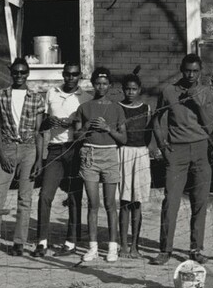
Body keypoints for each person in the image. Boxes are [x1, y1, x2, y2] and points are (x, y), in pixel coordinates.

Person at [151, 54, 213, 265]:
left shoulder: (206, 92)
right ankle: (165, 250)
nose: (190, 75)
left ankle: (196, 249)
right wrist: (162, 144)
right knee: (171, 201)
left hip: (200, 149)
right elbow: (157, 119)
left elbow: (210, 126)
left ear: (201, 71)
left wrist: (197, 103)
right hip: (176, 151)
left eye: (195, 71)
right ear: (181, 69)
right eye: (187, 70)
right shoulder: (169, 91)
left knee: (200, 201)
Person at [34, 62, 90, 257]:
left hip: (75, 149)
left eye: (74, 75)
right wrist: (50, 121)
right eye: (67, 74)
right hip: (55, 150)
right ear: (63, 74)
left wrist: (73, 123)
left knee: (74, 197)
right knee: (45, 196)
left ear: (80, 76)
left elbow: (86, 128)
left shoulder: (85, 97)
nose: (70, 78)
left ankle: (71, 241)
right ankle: (41, 242)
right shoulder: (52, 92)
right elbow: (43, 125)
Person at [0, 58, 44, 256]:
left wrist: (39, 159)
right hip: (7, 146)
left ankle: (19, 242)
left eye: (23, 72)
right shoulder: (2, 95)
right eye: (16, 72)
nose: (19, 76)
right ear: (11, 73)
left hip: (28, 149)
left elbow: (39, 131)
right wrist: (1, 153)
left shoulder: (36, 97)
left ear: (28, 73)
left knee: (25, 198)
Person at [75, 67, 127, 262]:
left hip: (110, 155)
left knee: (110, 203)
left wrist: (108, 128)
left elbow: (123, 138)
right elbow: (76, 135)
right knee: (93, 203)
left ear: (110, 86)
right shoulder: (85, 107)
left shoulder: (116, 108)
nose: (101, 87)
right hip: (89, 154)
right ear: (93, 84)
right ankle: (93, 247)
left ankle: (112, 247)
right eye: (98, 83)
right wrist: (88, 127)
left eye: (105, 84)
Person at [118, 73, 152, 259]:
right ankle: (123, 246)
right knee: (124, 202)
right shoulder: (117, 108)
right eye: (127, 89)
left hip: (141, 154)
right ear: (123, 90)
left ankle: (135, 247)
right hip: (123, 153)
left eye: (134, 89)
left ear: (140, 90)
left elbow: (151, 133)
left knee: (137, 202)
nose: (130, 92)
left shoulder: (146, 108)